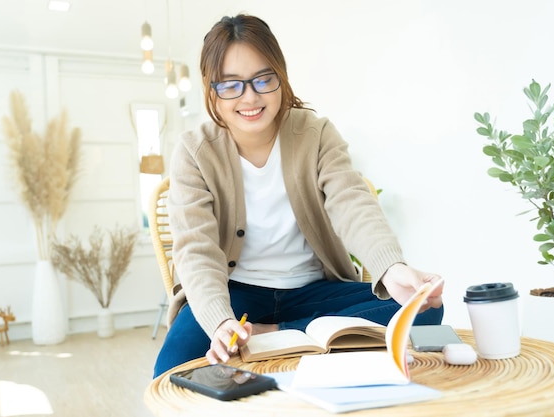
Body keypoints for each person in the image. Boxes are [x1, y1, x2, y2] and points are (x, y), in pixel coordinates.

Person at [153, 14, 443, 378]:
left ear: (281, 76)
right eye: (231, 85)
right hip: (234, 294)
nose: (250, 97)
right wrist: (221, 322)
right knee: (168, 370)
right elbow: (196, 249)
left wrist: (393, 268)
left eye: (263, 79)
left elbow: (351, 201)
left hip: (313, 292)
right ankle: (292, 333)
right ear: (212, 90)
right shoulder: (195, 150)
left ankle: (274, 334)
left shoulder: (316, 133)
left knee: (426, 308)